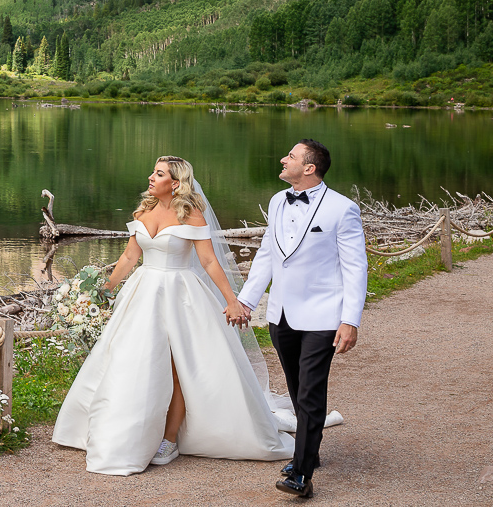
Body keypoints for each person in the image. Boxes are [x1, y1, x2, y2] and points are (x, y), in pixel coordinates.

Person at [52, 156, 293, 475]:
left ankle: (169, 439)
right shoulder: (142, 211)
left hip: (181, 295)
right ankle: (124, 431)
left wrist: (232, 300)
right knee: (130, 360)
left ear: (176, 183)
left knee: (179, 368)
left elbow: (208, 262)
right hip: (142, 293)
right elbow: (129, 256)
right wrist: (104, 290)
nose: (151, 177)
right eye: (153, 171)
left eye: (159, 173)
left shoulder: (191, 213)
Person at [234, 139, 367, 499]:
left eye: (290, 156)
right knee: (295, 388)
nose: (283, 159)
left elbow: (356, 268)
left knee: (310, 391)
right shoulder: (278, 201)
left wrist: (350, 320)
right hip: (281, 315)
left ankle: (301, 473)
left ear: (309, 168)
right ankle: (310, 449)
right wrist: (246, 300)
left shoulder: (342, 209)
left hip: (324, 316)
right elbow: (266, 255)